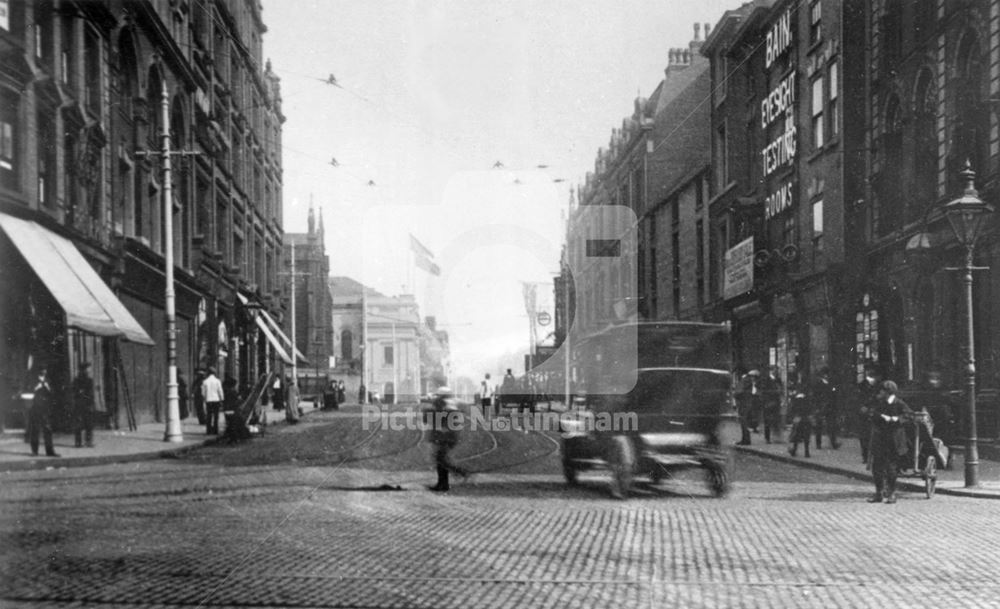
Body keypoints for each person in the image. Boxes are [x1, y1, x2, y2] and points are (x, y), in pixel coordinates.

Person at [868, 380, 914, 504]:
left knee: (891, 467)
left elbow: (908, 415)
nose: (880, 393)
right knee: (877, 467)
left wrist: (895, 419)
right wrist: (880, 416)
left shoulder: (899, 403)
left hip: (894, 440)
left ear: (888, 392)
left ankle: (892, 493)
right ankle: (879, 493)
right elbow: (872, 414)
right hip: (880, 438)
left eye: (882, 391)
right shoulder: (880, 403)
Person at [424, 386, 468, 491]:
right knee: (441, 459)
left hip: (444, 436)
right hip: (450, 436)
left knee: (440, 459)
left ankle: (456, 474)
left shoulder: (441, 404)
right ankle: (444, 483)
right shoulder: (452, 404)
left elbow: (430, 418)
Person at [27, 367, 58, 457]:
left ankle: (50, 451)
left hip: (45, 409)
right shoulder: (33, 380)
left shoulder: (48, 380)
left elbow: (53, 393)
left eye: (45, 370)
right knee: (35, 430)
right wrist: (36, 387)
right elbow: (28, 391)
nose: (44, 371)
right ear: (39, 371)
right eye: (42, 370)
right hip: (36, 408)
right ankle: (34, 451)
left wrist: (48, 387)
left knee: (48, 430)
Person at [857, 362, 881, 464]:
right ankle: (865, 455)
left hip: (875, 412)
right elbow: (857, 399)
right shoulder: (861, 385)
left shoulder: (879, 386)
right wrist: (861, 407)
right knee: (864, 436)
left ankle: (874, 455)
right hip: (864, 414)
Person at [812, 367, 840, 449]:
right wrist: (817, 407)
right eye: (825, 374)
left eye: (827, 374)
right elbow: (815, 396)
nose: (826, 376)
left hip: (830, 407)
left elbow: (834, 396)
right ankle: (818, 443)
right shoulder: (818, 384)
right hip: (821, 407)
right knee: (819, 426)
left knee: (831, 425)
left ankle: (833, 442)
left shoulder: (831, 384)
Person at [72, 362, 96, 448]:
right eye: (87, 369)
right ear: (82, 370)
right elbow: (75, 392)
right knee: (79, 424)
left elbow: (90, 393)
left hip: (86, 404)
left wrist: (82, 393)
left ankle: (87, 442)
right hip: (81, 404)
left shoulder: (89, 380)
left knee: (88, 424)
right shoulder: (77, 380)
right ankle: (79, 442)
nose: (89, 370)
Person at [787, 384, 813, 458]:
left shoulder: (796, 398)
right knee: (806, 436)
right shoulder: (807, 398)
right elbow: (810, 408)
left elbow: (793, 409)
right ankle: (806, 452)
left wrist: (792, 416)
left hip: (798, 419)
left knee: (796, 435)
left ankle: (794, 450)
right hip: (806, 418)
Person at [736, 369, 761, 445]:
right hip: (746, 404)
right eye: (755, 377)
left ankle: (745, 440)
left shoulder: (747, 381)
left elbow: (739, 392)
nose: (755, 378)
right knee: (745, 422)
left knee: (744, 422)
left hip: (744, 404)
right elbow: (740, 391)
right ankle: (745, 440)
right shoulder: (748, 381)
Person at [761, 366, 783, 444]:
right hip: (768, 403)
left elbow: (781, 389)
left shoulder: (778, 380)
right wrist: (774, 392)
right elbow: (764, 391)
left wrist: (780, 394)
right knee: (767, 421)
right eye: (775, 370)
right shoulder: (766, 380)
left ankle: (776, 437)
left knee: (776, 420)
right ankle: (767, 438)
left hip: (776, 403)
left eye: (777, 370)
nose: (776, 372)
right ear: (771, 371)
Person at [201, 367, 224, 435]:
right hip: (216, 400)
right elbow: (220, 391)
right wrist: (222, 399)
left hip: (208, 400)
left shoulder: (205, 381)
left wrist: (205, 398)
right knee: (216, 416)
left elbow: (203, 392)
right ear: (214, 373)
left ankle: (208, 431)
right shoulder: (217, 381)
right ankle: (215, 430)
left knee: (209, 415)